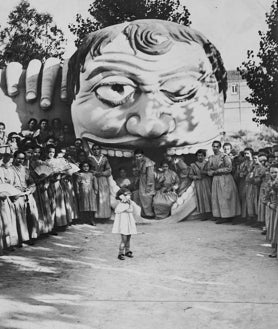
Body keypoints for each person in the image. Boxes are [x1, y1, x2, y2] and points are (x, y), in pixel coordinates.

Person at [207, 140, 241, 224]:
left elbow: (229, 168)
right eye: (213, 146)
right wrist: (210, 171)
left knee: (226, 197)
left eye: (217, 146)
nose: (215, 148)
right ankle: (222, 216)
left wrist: (216, 171)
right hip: (216, 179)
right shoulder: (211, 157)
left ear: (219, 147)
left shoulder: (224, 156)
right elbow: (209, 168)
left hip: (225, 178)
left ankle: (231, 216)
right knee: (218, 198)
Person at [112, 188, 137, 260]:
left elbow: (131, 210)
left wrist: (128, 205)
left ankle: (127, 251)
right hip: (124, 224)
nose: (129, 196)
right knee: (124, 239)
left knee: (128, 238)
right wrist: (126, 207)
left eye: (129, 194)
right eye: (127, 195)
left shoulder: (129, 203)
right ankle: (120, 253)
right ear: (122, 196)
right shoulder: (120, 205)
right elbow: (117, 211)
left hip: (129, 223)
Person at [88, 144, 112, 219]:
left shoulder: (104, 158)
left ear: (100, 150)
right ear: (92, 150)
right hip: (93, 178)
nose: (96, 151)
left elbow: (108, 170)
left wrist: (101, 173)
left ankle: (104, 215)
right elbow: (87, 168)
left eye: (97, 149)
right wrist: (93, 172)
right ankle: (95, 216)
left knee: (103, 195)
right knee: (95, 196)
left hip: (103, 179)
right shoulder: (90, 158)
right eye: (94, 149)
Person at [189, 149, 212, 220]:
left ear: (204, 156)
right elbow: (190, 175)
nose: (200, 157)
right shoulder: (193, 165)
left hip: (207, 182)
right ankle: (203, 214)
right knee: (201, 197)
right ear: (196, 156)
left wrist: (207, 173)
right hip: (198, 183)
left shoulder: (208, 163)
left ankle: (211, 214)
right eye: (198, 156)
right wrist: (196, 177)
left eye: (201, 155)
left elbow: (211, 172)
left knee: (209, 197)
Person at [134, 149, 155, 218]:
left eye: (139, 156)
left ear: (143, 155)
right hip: (142, 180)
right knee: (141, 196)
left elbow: (150, 175)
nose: (138, 158)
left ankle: (149, 214)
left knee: (147, 197)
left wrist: (149, 186)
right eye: (136, 157)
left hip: (148, 181)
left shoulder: (148, 162)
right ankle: (143, 214)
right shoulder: (139, 161)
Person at [76, 161, 98, 226]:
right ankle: (83, 219)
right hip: (83, 191)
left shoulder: (92, 174)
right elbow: (77, 183)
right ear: (82, 167)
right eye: (84, 166)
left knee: (91, 205)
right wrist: (77, 191)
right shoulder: (80, 174)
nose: (86, 168)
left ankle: (92, 220)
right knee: (84, 204)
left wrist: (96, 190)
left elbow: (95, 183)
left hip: (90, 191)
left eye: (87, 166)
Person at [263, 164, 278, 258]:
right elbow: (264, 198)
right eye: (272, 172)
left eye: (276, 172)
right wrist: (269, 204)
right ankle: (275, 249)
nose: (274, 174)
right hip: (273, 210)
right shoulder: (268, 183)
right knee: (274, 229)